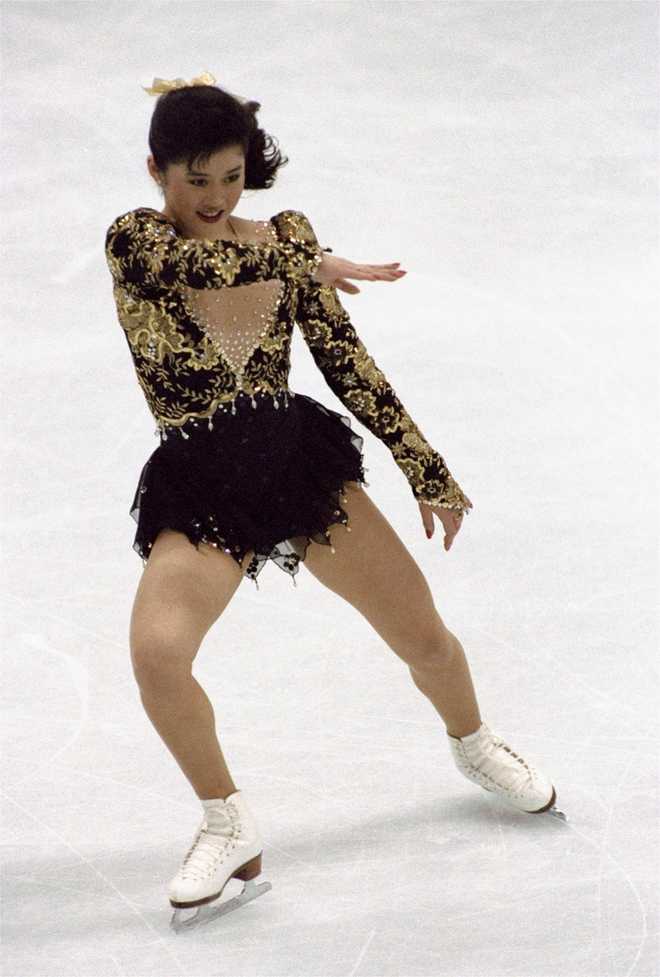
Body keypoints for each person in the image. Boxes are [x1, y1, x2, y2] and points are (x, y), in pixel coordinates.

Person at [104, 71, 564, 931]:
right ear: (156, 170)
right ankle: (226, 820)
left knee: (424, 635)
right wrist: (303, 261)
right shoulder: (135, 240)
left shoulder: (286, 237)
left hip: (296, 462)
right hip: (204, 481)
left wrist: (422, 460)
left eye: (230, 175)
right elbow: (200, 260)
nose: (212, 196)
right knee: (158, 653)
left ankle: (473, 744)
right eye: (193, 178)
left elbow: (344, 358)